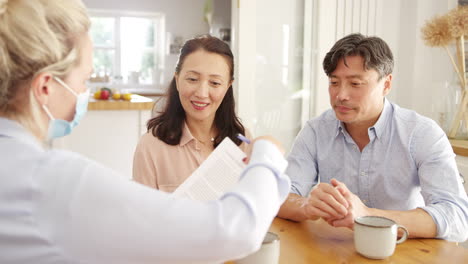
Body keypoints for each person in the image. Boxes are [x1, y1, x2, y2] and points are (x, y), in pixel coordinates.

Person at [0, 0, 291, 263]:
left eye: (215, 82)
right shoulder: (57, 181)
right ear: (46, 87)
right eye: (84, 79)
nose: (85, 92)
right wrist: (268, 152)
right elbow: (232, 232)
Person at [277, 33, 468, 242]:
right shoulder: (316, 130)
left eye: (355, 84)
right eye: (334, 82)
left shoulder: (421, 133)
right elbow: (279, 197)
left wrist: (367, 216)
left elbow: (457, 217)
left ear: (386, 84)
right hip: (339, 251)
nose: (341, 94)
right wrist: (307, 206)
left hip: (404, 251)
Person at [133, 35, 251, 192]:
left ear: (228, 86)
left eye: (215, 83)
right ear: (177, 79)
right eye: (193, 79)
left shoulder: (243, 141)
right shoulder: (151, 146)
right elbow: (142, 213)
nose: (202, 93)